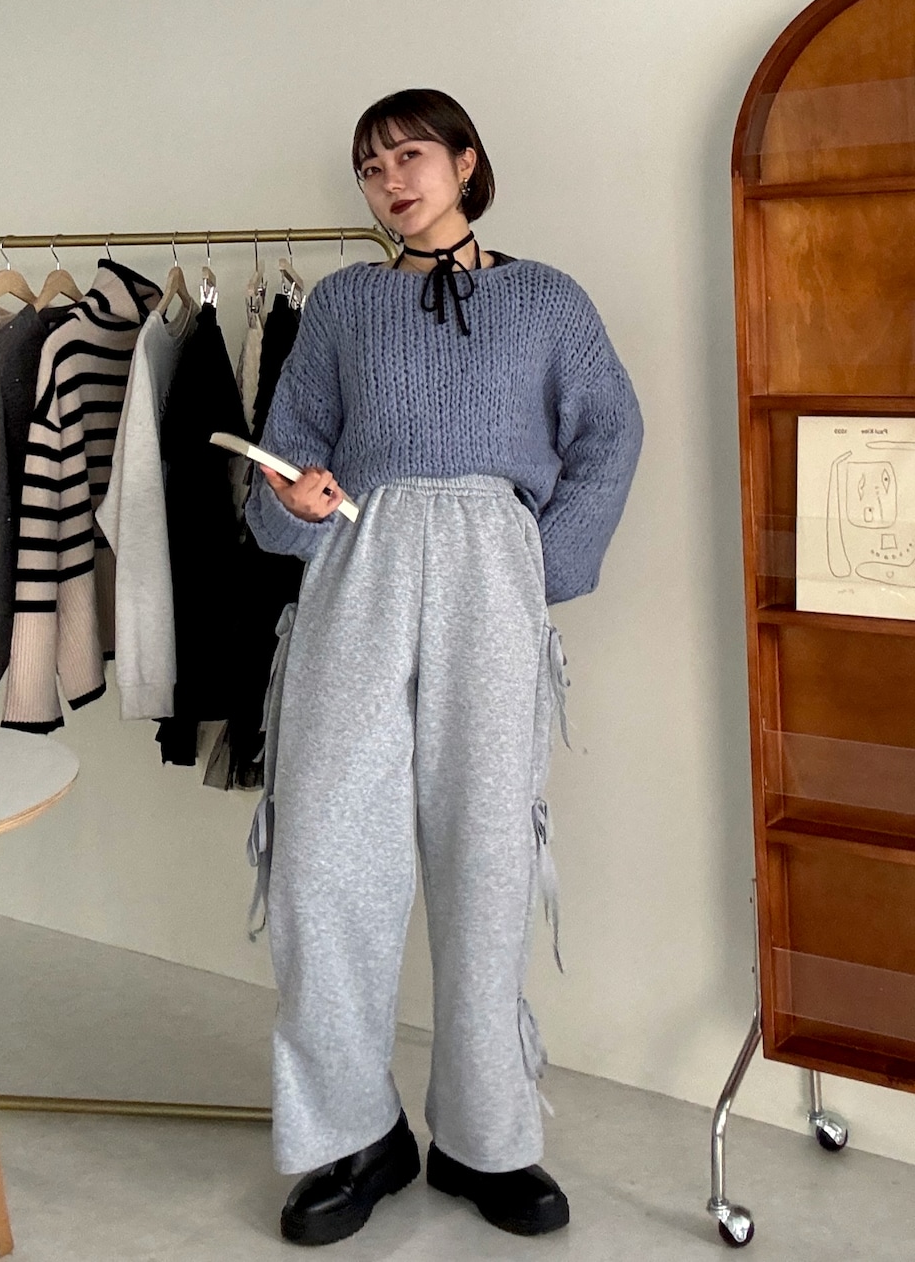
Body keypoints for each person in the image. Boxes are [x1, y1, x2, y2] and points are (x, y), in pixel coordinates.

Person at [245, 87, 643, 1246]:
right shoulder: (341, 305)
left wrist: (539, 562)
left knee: (485, 857)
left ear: (466, 161)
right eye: (370, 168)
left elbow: (610, 429)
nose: (391, 182)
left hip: (488, 579)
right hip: (357, 574)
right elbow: (287, 448)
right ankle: (355, 1133)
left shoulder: (547, 299)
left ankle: (484, 1135)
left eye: (409, 156)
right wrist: (292, 500)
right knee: (323, 860)